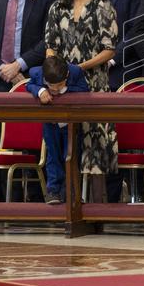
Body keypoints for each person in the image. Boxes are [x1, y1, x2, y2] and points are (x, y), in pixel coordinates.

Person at [44, 0, 118, 203]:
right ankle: (66, 197)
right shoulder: (57, 6)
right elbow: (50, 44)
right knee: (65, 140)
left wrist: (79, 67)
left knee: (95, 141)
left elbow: (109, 49)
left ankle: (98, 204)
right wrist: (57, 71)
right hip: (62, 84)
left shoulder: (102, 6)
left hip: (94, 82)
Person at [26, 56, 89, 205]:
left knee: (71, 155)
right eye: (50, 85)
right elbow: (29, 85)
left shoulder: (76, 72)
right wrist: (41, 90)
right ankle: (53, 191)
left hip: (71, 124)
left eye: (59, 85)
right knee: (53, 156)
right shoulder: (37, 72)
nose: (54, 90)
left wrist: (65, 90)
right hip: (51, 123)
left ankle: (72, 192)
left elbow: (84, 90)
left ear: (66, 76)